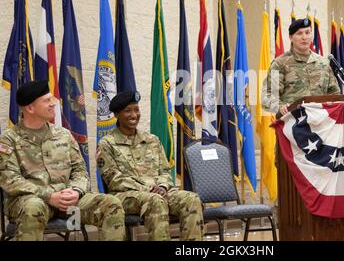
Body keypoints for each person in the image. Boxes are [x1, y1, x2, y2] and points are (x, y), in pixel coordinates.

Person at [0, 80, 126, 241]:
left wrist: (76, 191)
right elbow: (11, 181)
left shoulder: (64, 134)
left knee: (111, 204)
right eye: (47, 100)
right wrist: (49, 196)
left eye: (52, 98)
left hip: (68, 199)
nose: (54, 103)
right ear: (30, 108)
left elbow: (80, 170)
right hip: (31, 200)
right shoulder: (9, 139)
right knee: (33, 207)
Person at [97, 91, 204, 241]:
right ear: (117, 115)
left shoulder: (152, 140)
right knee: (155, 201)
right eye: (128, 111)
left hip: (159, 191)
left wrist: (163, 186)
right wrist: (149, 188)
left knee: (192, 199)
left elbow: (166, 171)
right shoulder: (106, 144)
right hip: (125, 196)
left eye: (136, 109)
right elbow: (115, 180)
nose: (134, 115)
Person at [262, 17, 341, 116]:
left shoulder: (323, 63)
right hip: (292, 124)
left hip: (321, 123)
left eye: (307, 33)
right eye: (299, 33)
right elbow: (267, 96)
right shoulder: (279, 64)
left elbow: (334, 94)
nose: (304, 37)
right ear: (291, 37)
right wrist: (280, 107)